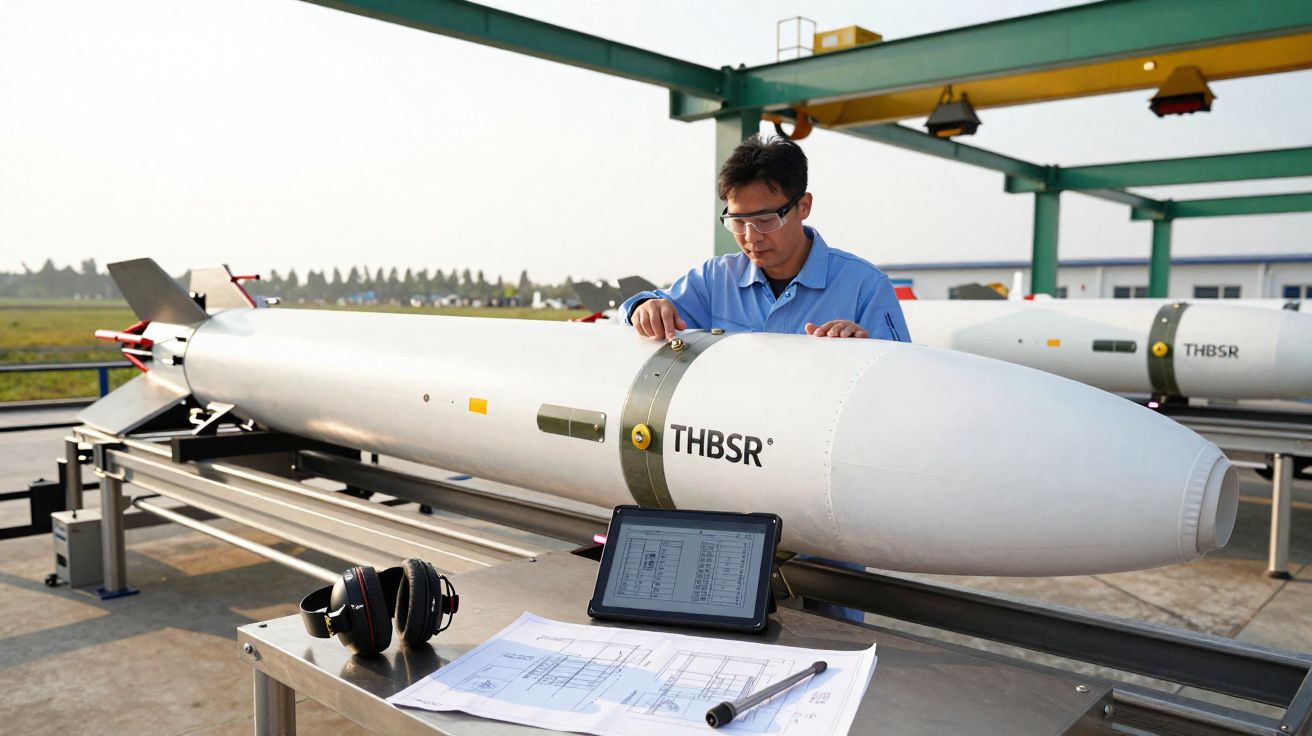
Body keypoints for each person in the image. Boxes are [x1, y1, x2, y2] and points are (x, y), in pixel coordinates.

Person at [619, 134, 911, 623]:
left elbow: (902, 385)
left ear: (804, 207)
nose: (751, 236)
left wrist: (865, 347)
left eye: (765, 219)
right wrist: (645, 307)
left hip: (820, 489)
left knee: (828, 627)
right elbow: (649, 304)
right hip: (733, 480)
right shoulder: (717, 279)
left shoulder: (862, 286)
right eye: (737, 220)